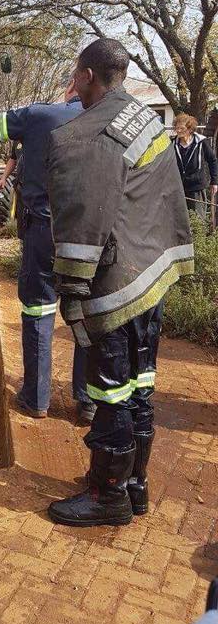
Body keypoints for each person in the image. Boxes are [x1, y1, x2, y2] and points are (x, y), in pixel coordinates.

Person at [45, 38, 193, 527]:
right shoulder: (144, 117)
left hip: (117, 288)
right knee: (140, 387)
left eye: (75, 74)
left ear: (87, 74)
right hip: (153, 275)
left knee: (110, 391)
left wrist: (71, 293)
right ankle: (135, 485)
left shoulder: (82, 137)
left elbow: (80, 226)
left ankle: (107, 495)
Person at [0, 80, 90, 421]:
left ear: (74, 83)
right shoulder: (110, 120)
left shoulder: (40, 116)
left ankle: (36, 398)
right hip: (93, 234)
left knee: (39, 311)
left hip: (45, 230)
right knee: (88, 314)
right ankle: (88, 402)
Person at [171, 113, 217, 223]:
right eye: (176, 128)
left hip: (196, 186)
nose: (178, 131)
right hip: (179, 187)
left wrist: (214, 181)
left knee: (197, 220)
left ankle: (198, 240)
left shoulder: (201, 142)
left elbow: (213, 160)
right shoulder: (173, 144)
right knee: (180, 220)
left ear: (189, 128)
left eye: (181, 128)